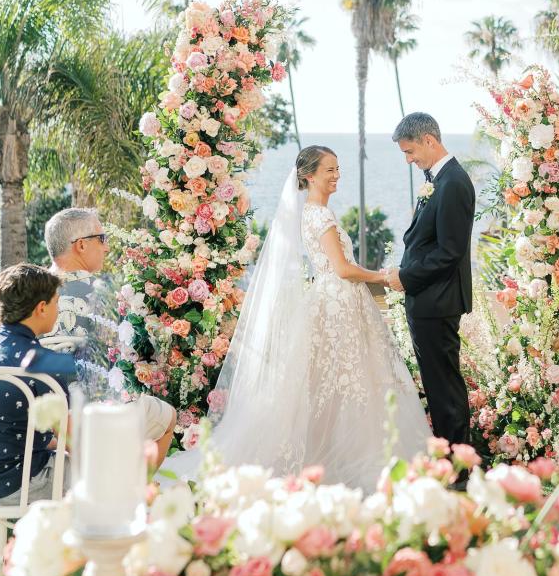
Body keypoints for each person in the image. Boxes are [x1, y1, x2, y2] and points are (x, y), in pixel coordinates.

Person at [167, 146, 430, 491]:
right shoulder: (320, 217)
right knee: (345, 383)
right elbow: (342, 268)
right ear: (308, 176)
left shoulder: (315, 212)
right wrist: (384, 277)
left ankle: (339, 457)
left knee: (338, 385)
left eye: (338, 169)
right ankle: (343, 459)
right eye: (329, 171)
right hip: (337, 306)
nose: (336, 176)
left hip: (338, 303)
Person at [0, 265, 77, 550]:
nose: (57, 310)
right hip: (18, 487)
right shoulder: (42, 362)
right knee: (89, 466)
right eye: (56, 303)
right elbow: (71, 437)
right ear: (42, 308)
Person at [43, 206, 176, 468]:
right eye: (101, 239)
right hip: (85, 422)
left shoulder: (28, 288)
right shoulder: (100, 293)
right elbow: (116, 366)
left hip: (35, 415)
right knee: (168, 416)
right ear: (80, 245)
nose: (106, 248)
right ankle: (133, 494)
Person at [386, 112, 476, 448]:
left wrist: (406, 277)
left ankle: (458, 467)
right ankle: (449, 460)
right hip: (429, 301)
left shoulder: (452, 182)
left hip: (437, 302)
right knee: (438, 387)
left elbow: (449, 251)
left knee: (445, 389)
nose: (409, 160)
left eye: (410, 152)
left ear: (429, 140)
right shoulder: (437, 178)